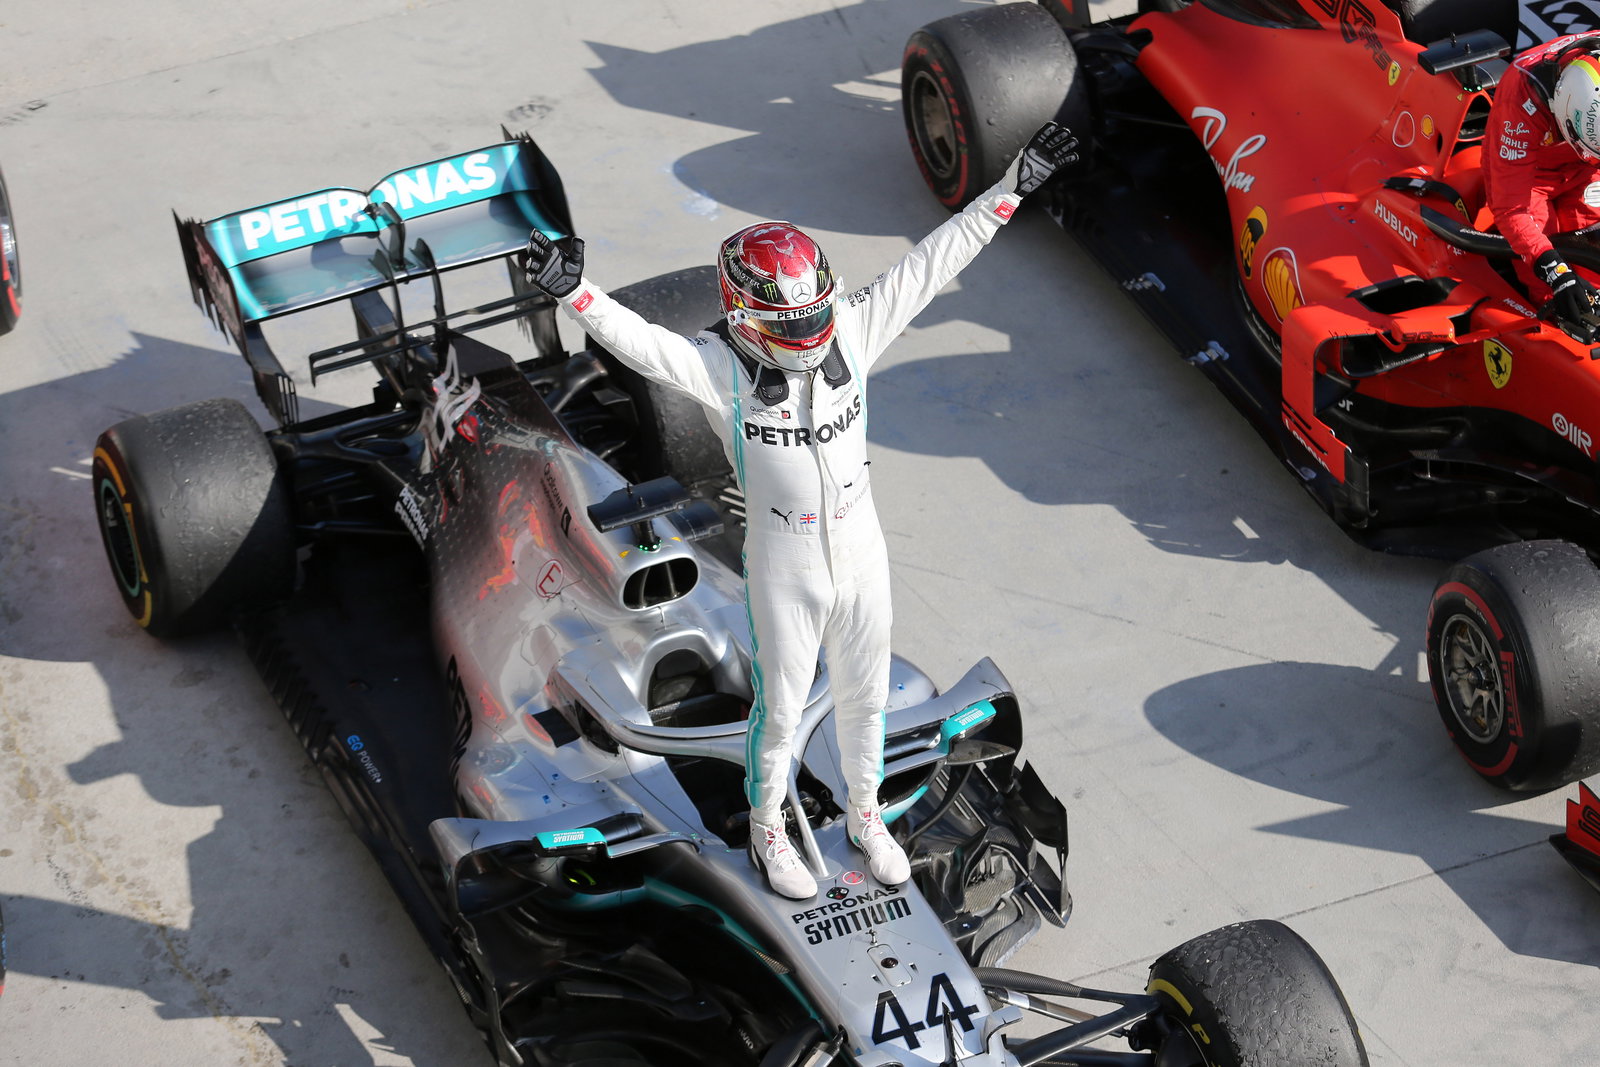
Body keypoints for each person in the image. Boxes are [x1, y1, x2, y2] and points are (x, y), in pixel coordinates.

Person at [523, 123, 1081, 898]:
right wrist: (573, 293)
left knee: (866, 695)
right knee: (780, 710)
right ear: (747, 316)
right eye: (792, 323)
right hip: (783, 563)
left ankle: (864, 814)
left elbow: (934, 260)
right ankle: (767, 832)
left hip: (863, 550)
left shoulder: (851, 325)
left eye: (815, 313)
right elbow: (642, 344)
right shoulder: (716, 367)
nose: (812, 333)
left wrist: (1014, 183)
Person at [1484, 30, 1600, 336]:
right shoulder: (1522, 102)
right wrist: (1557, 274)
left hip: (1587, 165)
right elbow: (1510, 208)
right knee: (1551, 286)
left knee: (1594, 257)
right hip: (1531, 177)